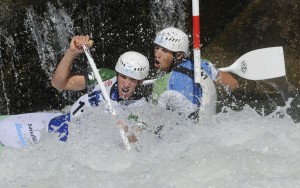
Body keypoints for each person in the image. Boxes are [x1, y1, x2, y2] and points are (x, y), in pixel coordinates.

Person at [0, 35, 150, 148]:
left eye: (132, 80)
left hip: (75, 147)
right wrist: (72, 52)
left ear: (140, 82)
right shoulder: (104, 76)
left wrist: (125, 129)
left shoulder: (141, 107)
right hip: (59, 123)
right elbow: (59, 83)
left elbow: (134, 142)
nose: (126, 84)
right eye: (123, 77)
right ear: (117, 73)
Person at [150, 27, 238, 117]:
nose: (157, 55)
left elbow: (153, 119)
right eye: (157, 48)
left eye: (164, 51)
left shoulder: (161, 83)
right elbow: (233, 84)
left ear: (179, 55)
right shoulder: (201, 64)